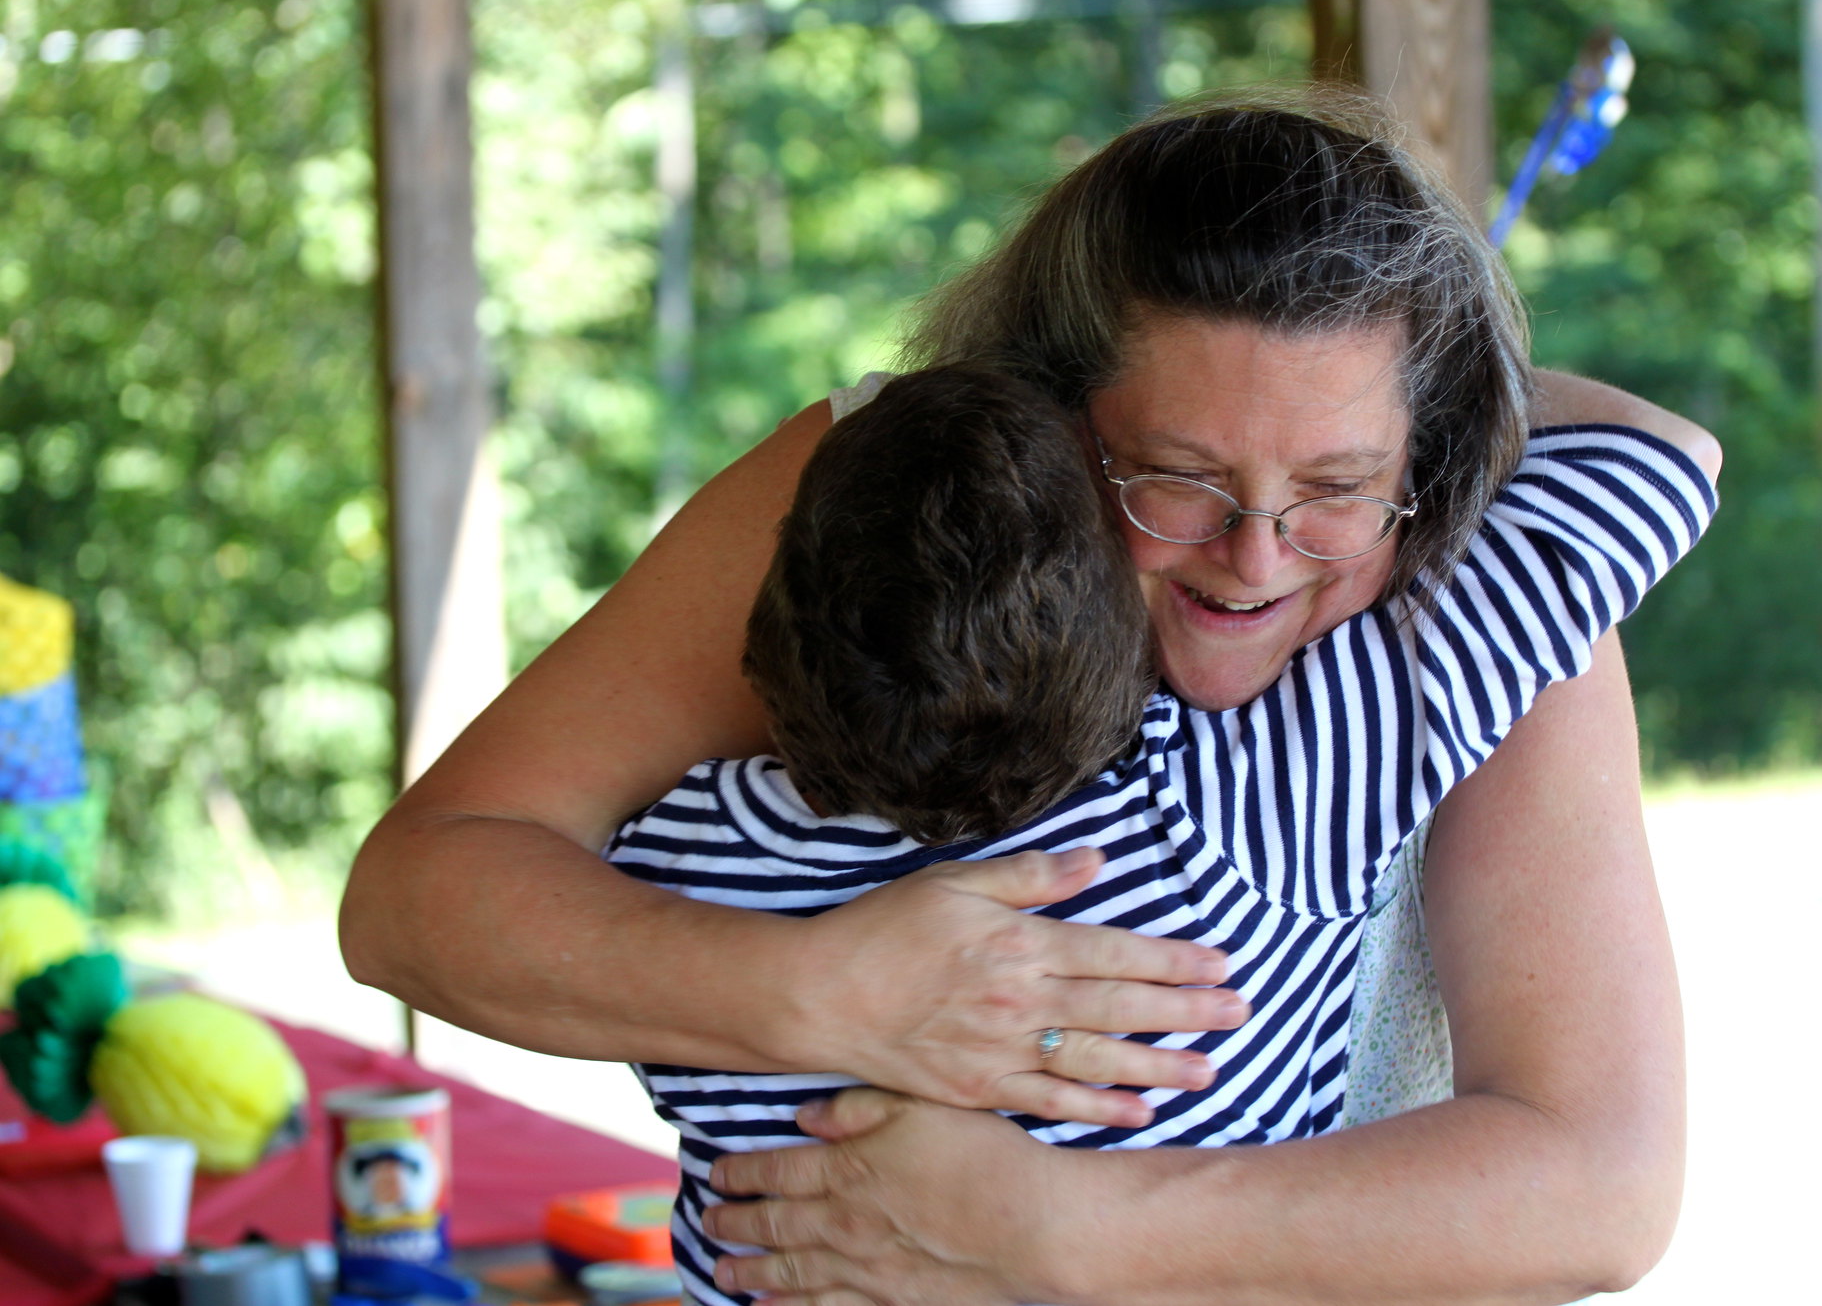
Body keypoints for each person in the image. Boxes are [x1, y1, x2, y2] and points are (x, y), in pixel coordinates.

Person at [342, 85, 1721, 1303]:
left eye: (1334, 486)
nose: (1255, 556)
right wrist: (819, 991)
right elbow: (423, 893)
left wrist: (1065, 1232)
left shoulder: (1462, 575)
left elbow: (1598, 1183)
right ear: (1045, 419)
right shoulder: (886, 514)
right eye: (1178, 474)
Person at [611, 356, 1712, 1306]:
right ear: (1119, 638)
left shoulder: (666, 856)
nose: (1242, 551)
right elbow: (1656, 458)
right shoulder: (1236, 814)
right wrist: (1379, 403)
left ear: (760, 622)